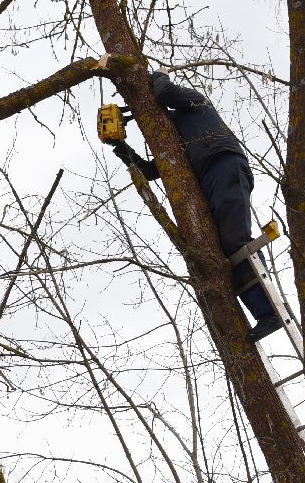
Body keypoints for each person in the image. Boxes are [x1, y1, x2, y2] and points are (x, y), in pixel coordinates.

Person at [107, 71, 283, 342]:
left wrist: (157, 76)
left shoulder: (195, 101)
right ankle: (262, 311)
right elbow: (153, 170)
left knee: (236, 240)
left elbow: (165, 93)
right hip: (210, 177)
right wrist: (121, 146)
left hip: (225, 164)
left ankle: (270, 313)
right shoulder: (176, 134)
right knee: (224, 249)